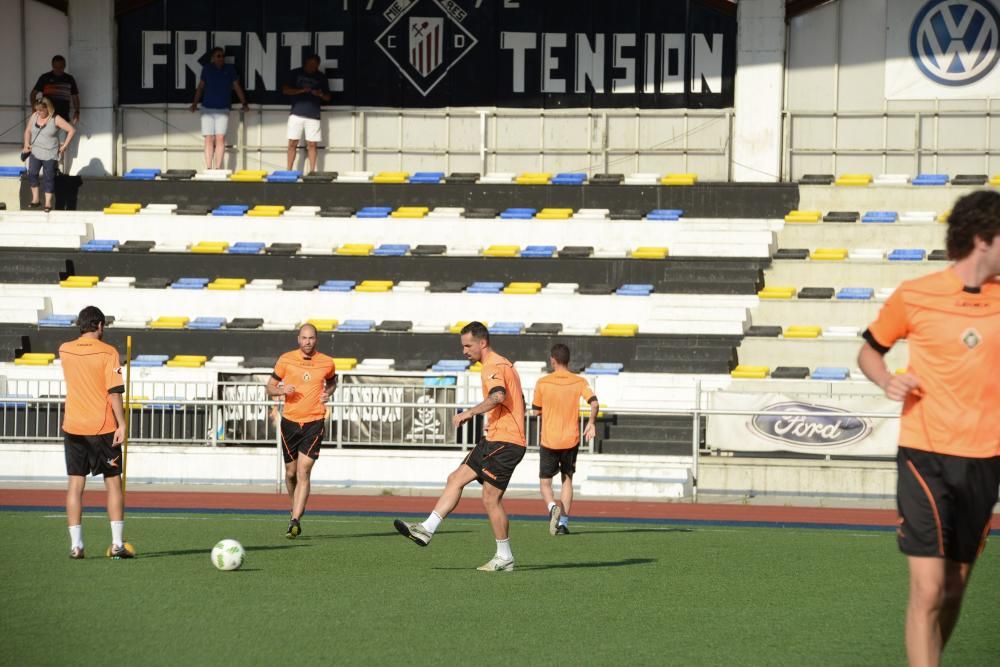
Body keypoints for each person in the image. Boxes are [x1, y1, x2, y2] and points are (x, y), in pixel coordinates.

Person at [857, 189, 1000, 667]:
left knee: (955, 588)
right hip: (926, 455)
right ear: (984, 239)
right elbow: (869, 352)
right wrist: (887, 381)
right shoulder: (915, 294)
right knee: (929, 587)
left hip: (986, 459)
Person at [394, 321, 527, 571]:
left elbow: (498, 396)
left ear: (482, 343)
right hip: (495, 438)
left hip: (506, 442)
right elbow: (517, 398)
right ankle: (426, 529)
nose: (464, 351)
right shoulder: (503, 364)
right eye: (463, 346)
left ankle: (504, 556)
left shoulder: (492, 366)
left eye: (468, 345)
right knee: (455, 478)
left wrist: (469, 413)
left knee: (490, 499)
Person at [58, 306, 132, 559]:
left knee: (75, 485)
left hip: (73, 426)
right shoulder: (109, 352)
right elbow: (114, 392)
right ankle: (118, 544)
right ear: (99, 325)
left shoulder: (64, 349)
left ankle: (76, 546)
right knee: (112, 484)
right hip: (103, 428)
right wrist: (121, 424)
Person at [265, 323, 337, 538]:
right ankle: (294, 505)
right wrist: (280, 390)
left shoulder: (327, 362)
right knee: (291, 473)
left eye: (311, 338)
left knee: (304, 470)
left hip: (314, 421)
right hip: (290, 421)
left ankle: (295, 520)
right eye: (304, 338)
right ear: (298, 339)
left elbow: (333, 383)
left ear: (316, 340)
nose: (308, 342)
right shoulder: (285, 359)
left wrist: (328, 393)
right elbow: (269, 387)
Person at [531, 343, 598, 536]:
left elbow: (536, 410)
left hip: (549, 440)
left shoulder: (543, 382)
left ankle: (552, 507)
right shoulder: (578, 382)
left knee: (545, 483)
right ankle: (564, 523)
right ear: (568, 360)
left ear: (552, 360)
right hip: (570, 439)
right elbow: (594, 402)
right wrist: (591, 422)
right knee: (567, 479)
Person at [189, 47, 249, 170]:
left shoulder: (230, 69)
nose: (221, 58)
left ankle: (218, 168)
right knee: (208, 138)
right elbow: (200, 87)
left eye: (222, 56)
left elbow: (237, 87)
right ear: (213, 58)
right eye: (218, 56)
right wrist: (195, 103)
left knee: (220, 137)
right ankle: (208, 167)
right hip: (207, 109)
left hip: (223, 109)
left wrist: (244, 102)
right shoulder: (207, 69)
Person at [22, 97, 75, 212]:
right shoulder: (34, 116)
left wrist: (64, 146)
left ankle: (47, 203)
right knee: (32, 174)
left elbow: (71, 130)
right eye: (37, 110)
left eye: (41, 110)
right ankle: (35, 200)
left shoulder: (56, 118)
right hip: (35, 151)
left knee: (48, 178)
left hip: (50, 153)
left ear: (48, 108)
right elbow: (28, 131)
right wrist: (26, 144)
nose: (39, 112)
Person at [281, 54, 330, 173]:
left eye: (314, 65)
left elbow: (328, 97)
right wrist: (302, 90)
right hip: (296, 113)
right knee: (292, 143)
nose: (311, 67)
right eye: (309, 65)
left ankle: (312, 171)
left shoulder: (321, 77)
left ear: (318, 65)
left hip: (313, 115)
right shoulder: (295, 73)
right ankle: (289, 170)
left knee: (312, 144)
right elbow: (285, 90)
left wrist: (320, 94)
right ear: (305, 63)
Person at [30, 54, 79, 170]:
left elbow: (75, 96)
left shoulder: (69, 79)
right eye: (56, 67)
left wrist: (77, 111)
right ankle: (45, 169)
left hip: (62, 117)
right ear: (52, 66)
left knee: (61, 144)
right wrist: (34, 109)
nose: (58, 70)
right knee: (44, 143)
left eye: (61, 67)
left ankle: (60, 170)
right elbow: (33, 94)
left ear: (64, 66)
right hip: (47, 118)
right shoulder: (45, 78)